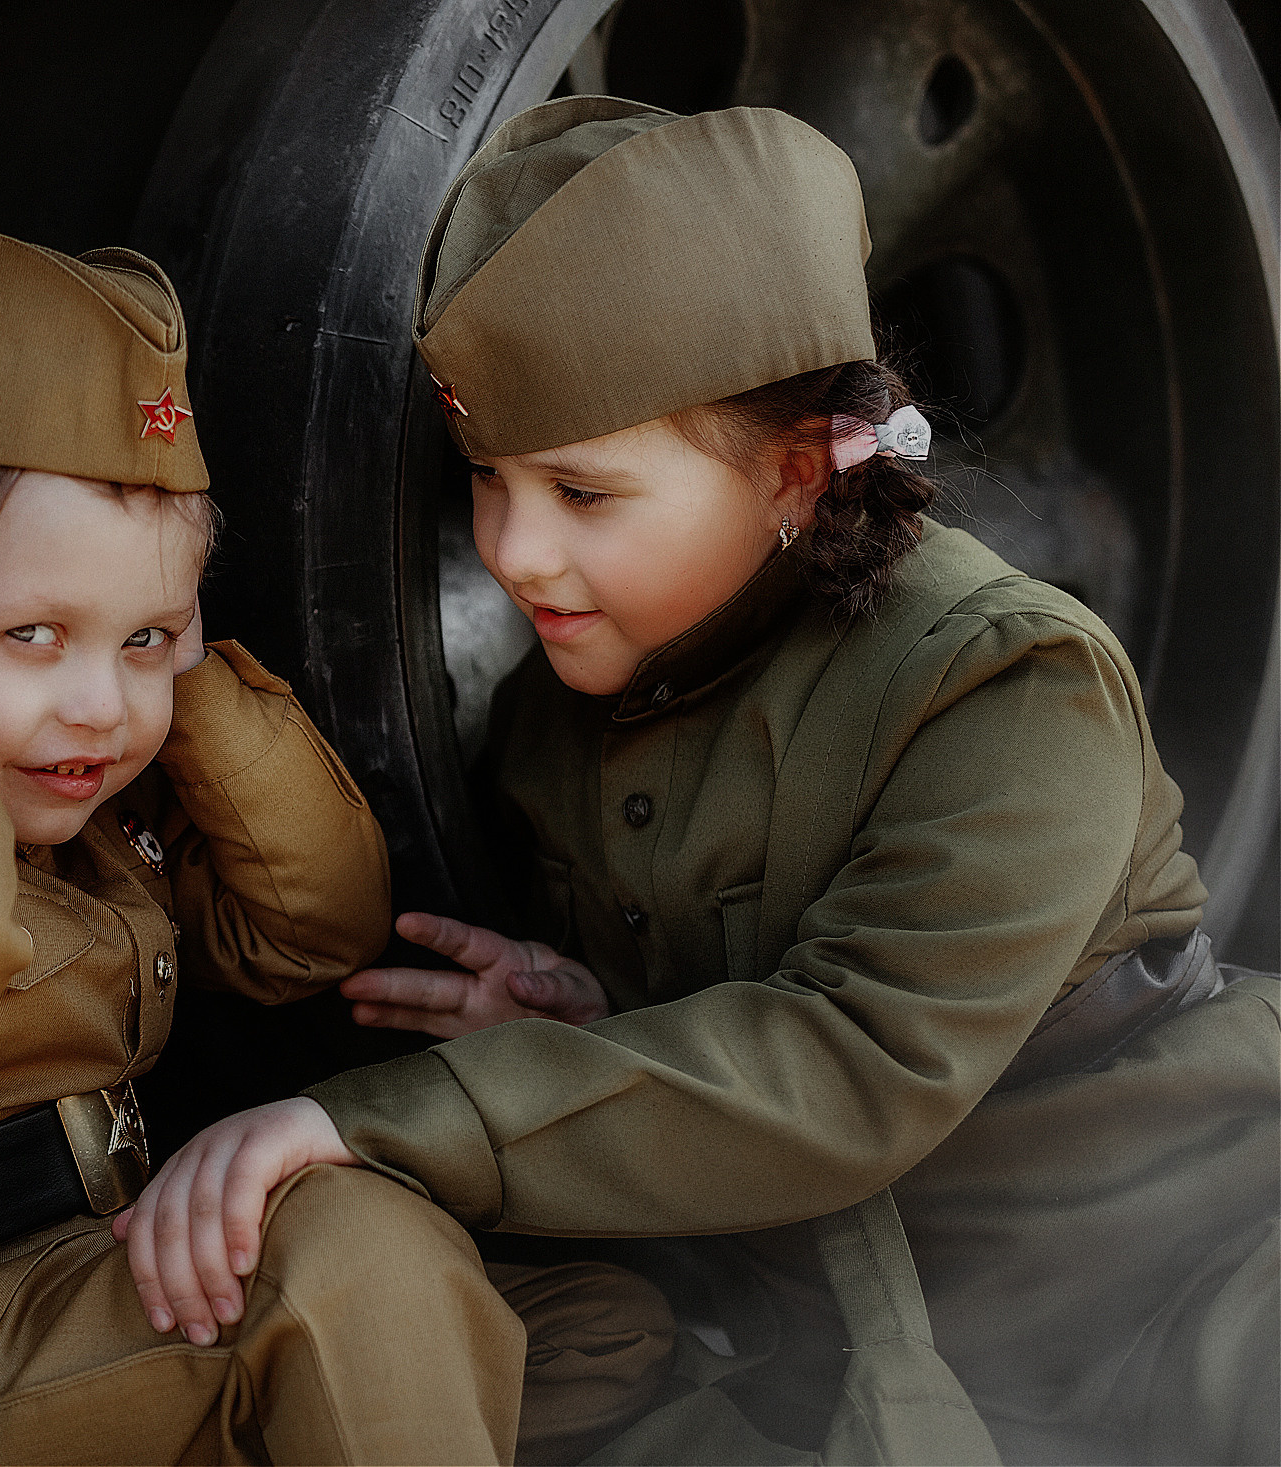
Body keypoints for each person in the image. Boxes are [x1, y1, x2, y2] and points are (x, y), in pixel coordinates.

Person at [114, 98, 1280, 1465]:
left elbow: (851, 1065)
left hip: (1195, 1269)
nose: (513, 551)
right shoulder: (560, 717)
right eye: (488, 479)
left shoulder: (1012, 685)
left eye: (582, 492)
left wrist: (366, 1121)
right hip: (867, 1345)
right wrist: (590, 1018)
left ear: (794, 475)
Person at [0, 225, 674, 1465]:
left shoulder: (97, 842)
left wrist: (188, 672)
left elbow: (314, 927)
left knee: (586, 1329)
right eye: (35, 635)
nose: (100, 705)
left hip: (91, 1296)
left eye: (142, 639)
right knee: (358, 1252)